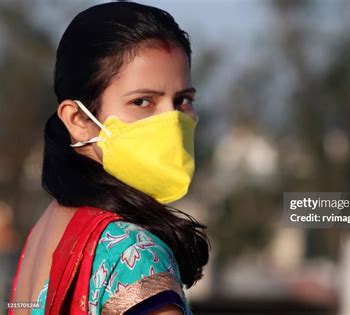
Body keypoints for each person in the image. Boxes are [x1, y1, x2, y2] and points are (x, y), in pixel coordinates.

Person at [8, 2, 209, 314]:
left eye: (182, 100)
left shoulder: (44, 232)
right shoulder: (135, 253)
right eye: (142, 101)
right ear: (77, 119)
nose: (172, 122)